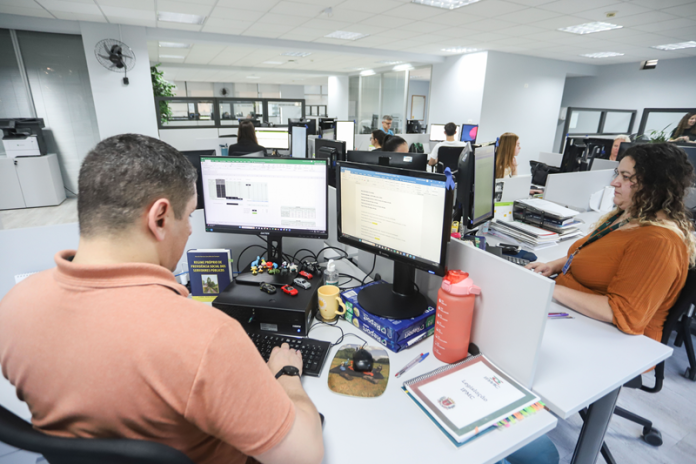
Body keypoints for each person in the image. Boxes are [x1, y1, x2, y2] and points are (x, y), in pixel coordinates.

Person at [0, 134, 324, 464]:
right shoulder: (206, 336)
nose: (190, 230)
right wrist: (287, 375)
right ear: (159, 218)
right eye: (189, 215)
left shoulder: (14, 305)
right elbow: (304, 457)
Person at [526, 143, 695, 343]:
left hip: (610, 339)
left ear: (654, 185)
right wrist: (553, 265)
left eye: (626, 177)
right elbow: (593, 253)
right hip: (575, 314)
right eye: (618, 174)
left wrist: (552, 289)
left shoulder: (659, 242)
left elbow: (625, 313)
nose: (614, 182)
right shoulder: (628, 215)